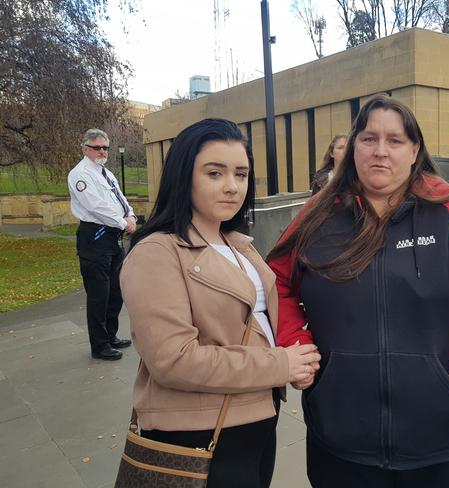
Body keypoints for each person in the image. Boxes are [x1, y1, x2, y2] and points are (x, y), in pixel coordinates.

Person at [268, 95, 449, 488]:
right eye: (368, 139)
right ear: (353, 146)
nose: (380, 152)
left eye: (395, 140)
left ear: (415, 149)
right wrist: (298, 346)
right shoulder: (317, 215)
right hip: (343, 445)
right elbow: (274, 282)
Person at [119, 118, 320, 487]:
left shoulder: (240, 245)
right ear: (184, 176)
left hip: (258, 419)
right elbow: (174, 360)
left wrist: (296, 356)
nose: (232, 186)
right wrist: (281, 364)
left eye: (241, 174)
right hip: (199, 433)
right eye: (215, 173)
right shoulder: (157, 252)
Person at [67, 129, 136, 360]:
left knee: (115, 290)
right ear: (86, 148)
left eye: (105, 147)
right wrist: (122, 223)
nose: (102, 151)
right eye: (97, 147)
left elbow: (119, 198)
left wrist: (131, 216)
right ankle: (99, 345)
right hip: (94, 237)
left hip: (113, 237)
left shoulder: (106, 173)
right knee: (99, 294)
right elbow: (96, 206)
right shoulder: (80, 174)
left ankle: (111, 335)